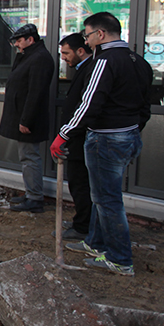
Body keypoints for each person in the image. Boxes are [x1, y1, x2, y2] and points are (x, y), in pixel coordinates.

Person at [52, 11, 152, 276]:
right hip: (128, 135)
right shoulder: (138, 61)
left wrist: (65, 133)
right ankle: (96, 243)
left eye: (87, 34)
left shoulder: (104, 62)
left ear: (100, 34)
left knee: (107, 200)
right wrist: (133, 129)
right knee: (102, 196)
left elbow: (89, 103)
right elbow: (145, 104)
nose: (87, 40)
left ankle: (120, 259)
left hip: (107, 138)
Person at [0, 23, 54, 213]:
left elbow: (35, 92)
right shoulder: (29, 56)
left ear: (31, 39)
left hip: (29, 119)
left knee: (29, 157)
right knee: (27, 157)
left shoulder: (39, 58)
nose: (16, 45)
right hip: (24, 116)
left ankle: (35, 198)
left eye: (19, 41)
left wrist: (26, 120)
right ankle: (31, 192)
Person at [57, 32, 94, 240]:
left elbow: (85, 107)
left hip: (81, 139)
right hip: (77, 137)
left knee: (81, 185)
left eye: (66, 53)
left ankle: (83, 227)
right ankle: (83, 222)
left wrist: (66, 134)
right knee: (78, 184)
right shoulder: (83, 69)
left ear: (81, 51)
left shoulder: (92, 69)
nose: (63, 57)